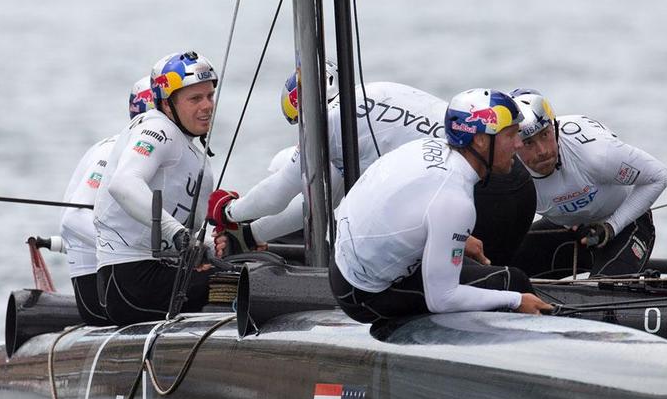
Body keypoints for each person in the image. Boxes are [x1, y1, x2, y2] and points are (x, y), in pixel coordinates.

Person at [328, 89, 552, 324]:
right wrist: (516, 300)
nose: (518, 144)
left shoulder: (427, 147)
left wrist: (456, 238)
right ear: (480, 140)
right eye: (511, 135)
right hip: (365, 297)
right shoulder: (455, 201)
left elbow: (405, 205)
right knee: (511, 282)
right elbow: (442, 299)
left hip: (344, 260)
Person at [209, 65, 448, 256]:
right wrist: (251, 235)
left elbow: (278, 194)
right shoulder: (372, 93)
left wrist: (228, 211)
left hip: (449, 193)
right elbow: (320, 202)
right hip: (470, 171)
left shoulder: (327, 123)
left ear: (302, 115)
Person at [93, 51, 217, 325]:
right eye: (195, 99)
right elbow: (124, 183)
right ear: (167, 104)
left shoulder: (187, 145)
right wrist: (176, 233)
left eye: (209, 96)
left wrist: (212, 243)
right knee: (251, 283)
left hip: (156, 274)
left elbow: (192, 227)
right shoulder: (159, 129)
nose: (207, 106)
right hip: (132, 281)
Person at [508, 89, 667, 278]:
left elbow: (659, 175)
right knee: (502, 267)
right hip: (573, 227)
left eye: (545, 135)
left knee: (603, 290)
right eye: (528, 143)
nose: (542, 151)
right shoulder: (506, 169)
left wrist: (611, 226)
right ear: (513, 145)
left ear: (554, 127)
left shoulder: (596, 155)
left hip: (625, 222)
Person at [59, 77, 154, 325]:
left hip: (129, 276)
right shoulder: (111, 152)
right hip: (97, 291)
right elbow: (73, 218)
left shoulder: (161, 154)